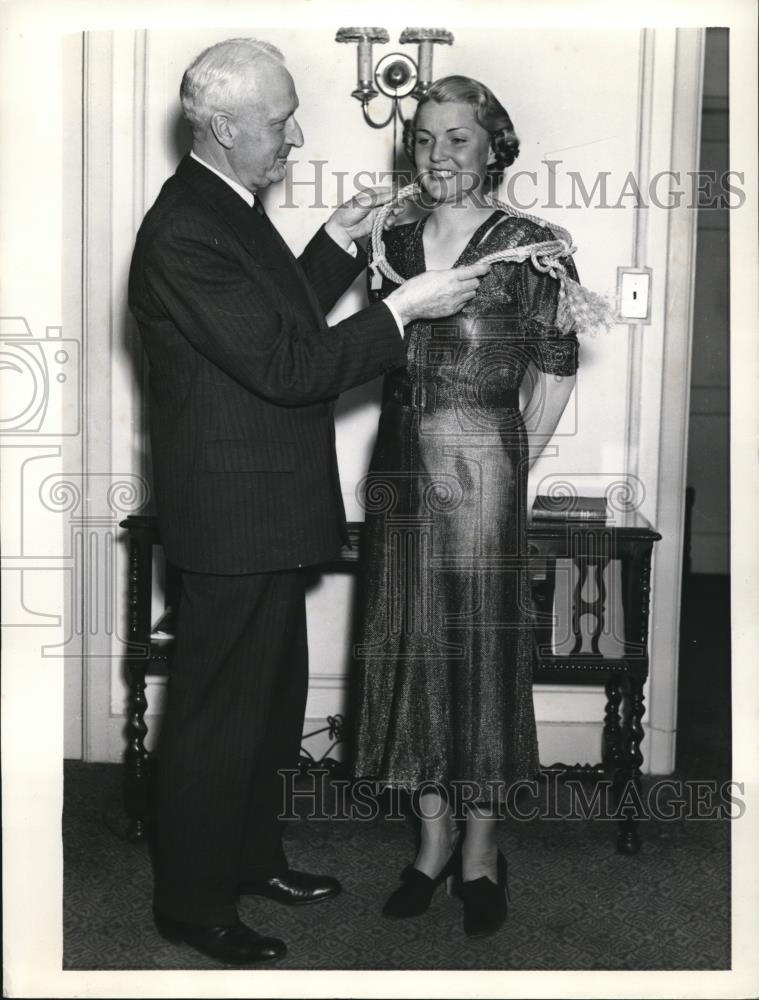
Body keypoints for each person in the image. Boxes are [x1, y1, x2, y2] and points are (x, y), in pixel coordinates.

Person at [128, 41, 490, 966]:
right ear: (223, 127)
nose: (296, 134)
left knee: (268, 705)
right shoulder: (183, 231)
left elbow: (278, 313)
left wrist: (335, 237)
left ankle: (250, 857)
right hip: (231, 519)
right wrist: (405, 309)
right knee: (216, 722)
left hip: (266, 512)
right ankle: (193, 902)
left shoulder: (224, 208)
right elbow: (290, 367)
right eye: (280, 120)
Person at [352, 75, 580, 938]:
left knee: (478, 659)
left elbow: (553, 371)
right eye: (422, 138)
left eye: (456, 138)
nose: (437, 155)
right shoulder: (392, 238)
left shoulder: (532, 246)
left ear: (493, 146)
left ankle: (482, 852)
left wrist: (501, 465)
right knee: (408, 645)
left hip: (481, 472)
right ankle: (432, 841)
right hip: (396, 469)